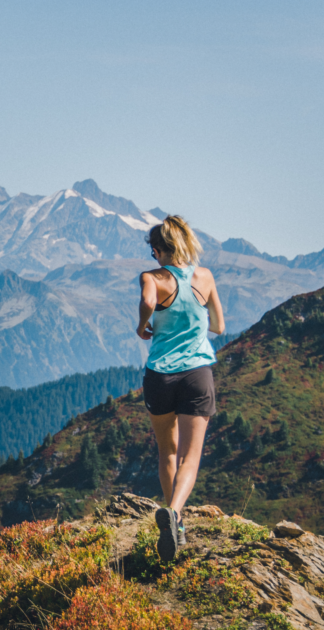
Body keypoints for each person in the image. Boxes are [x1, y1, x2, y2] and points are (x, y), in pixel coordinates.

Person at [137, 215, 225, 562]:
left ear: (158, 250)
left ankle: (176, 521)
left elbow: (147, 302)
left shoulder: (152, 278)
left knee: (167, 451)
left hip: (159, 375)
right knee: (192, 455)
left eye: (154, 252)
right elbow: (219, 325)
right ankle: (174, 513)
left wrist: (144, 325)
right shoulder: (204, 277)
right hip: (196, 375)